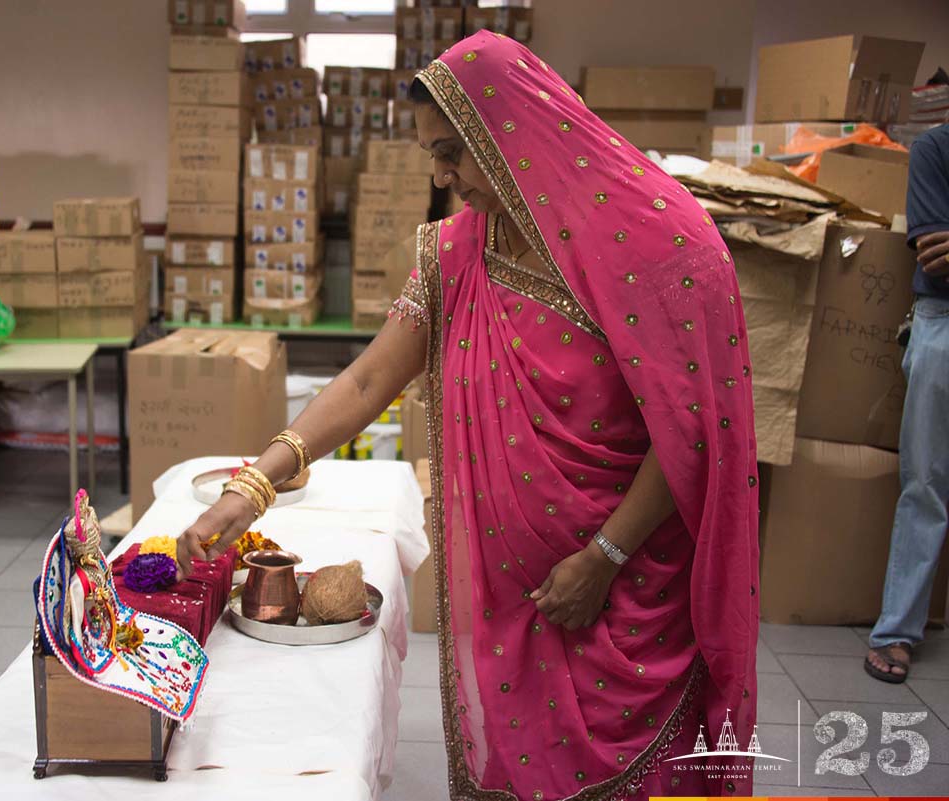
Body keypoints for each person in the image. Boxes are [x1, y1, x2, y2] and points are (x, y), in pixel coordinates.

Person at [178, 31, 759, 800]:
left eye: (452, 152)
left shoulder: (659, 247)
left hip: (626, 594)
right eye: (430, 155)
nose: (442, 178)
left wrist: (605, 556)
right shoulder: (458, 254)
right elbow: (366, 380)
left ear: (508, 129)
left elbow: (693, 431)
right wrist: (253, 483)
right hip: (508, 604)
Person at [866, 121, 949, 684]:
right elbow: (937, 256)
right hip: (943, 322)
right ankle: (895, 631)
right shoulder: (937, 147)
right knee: (926, 485)